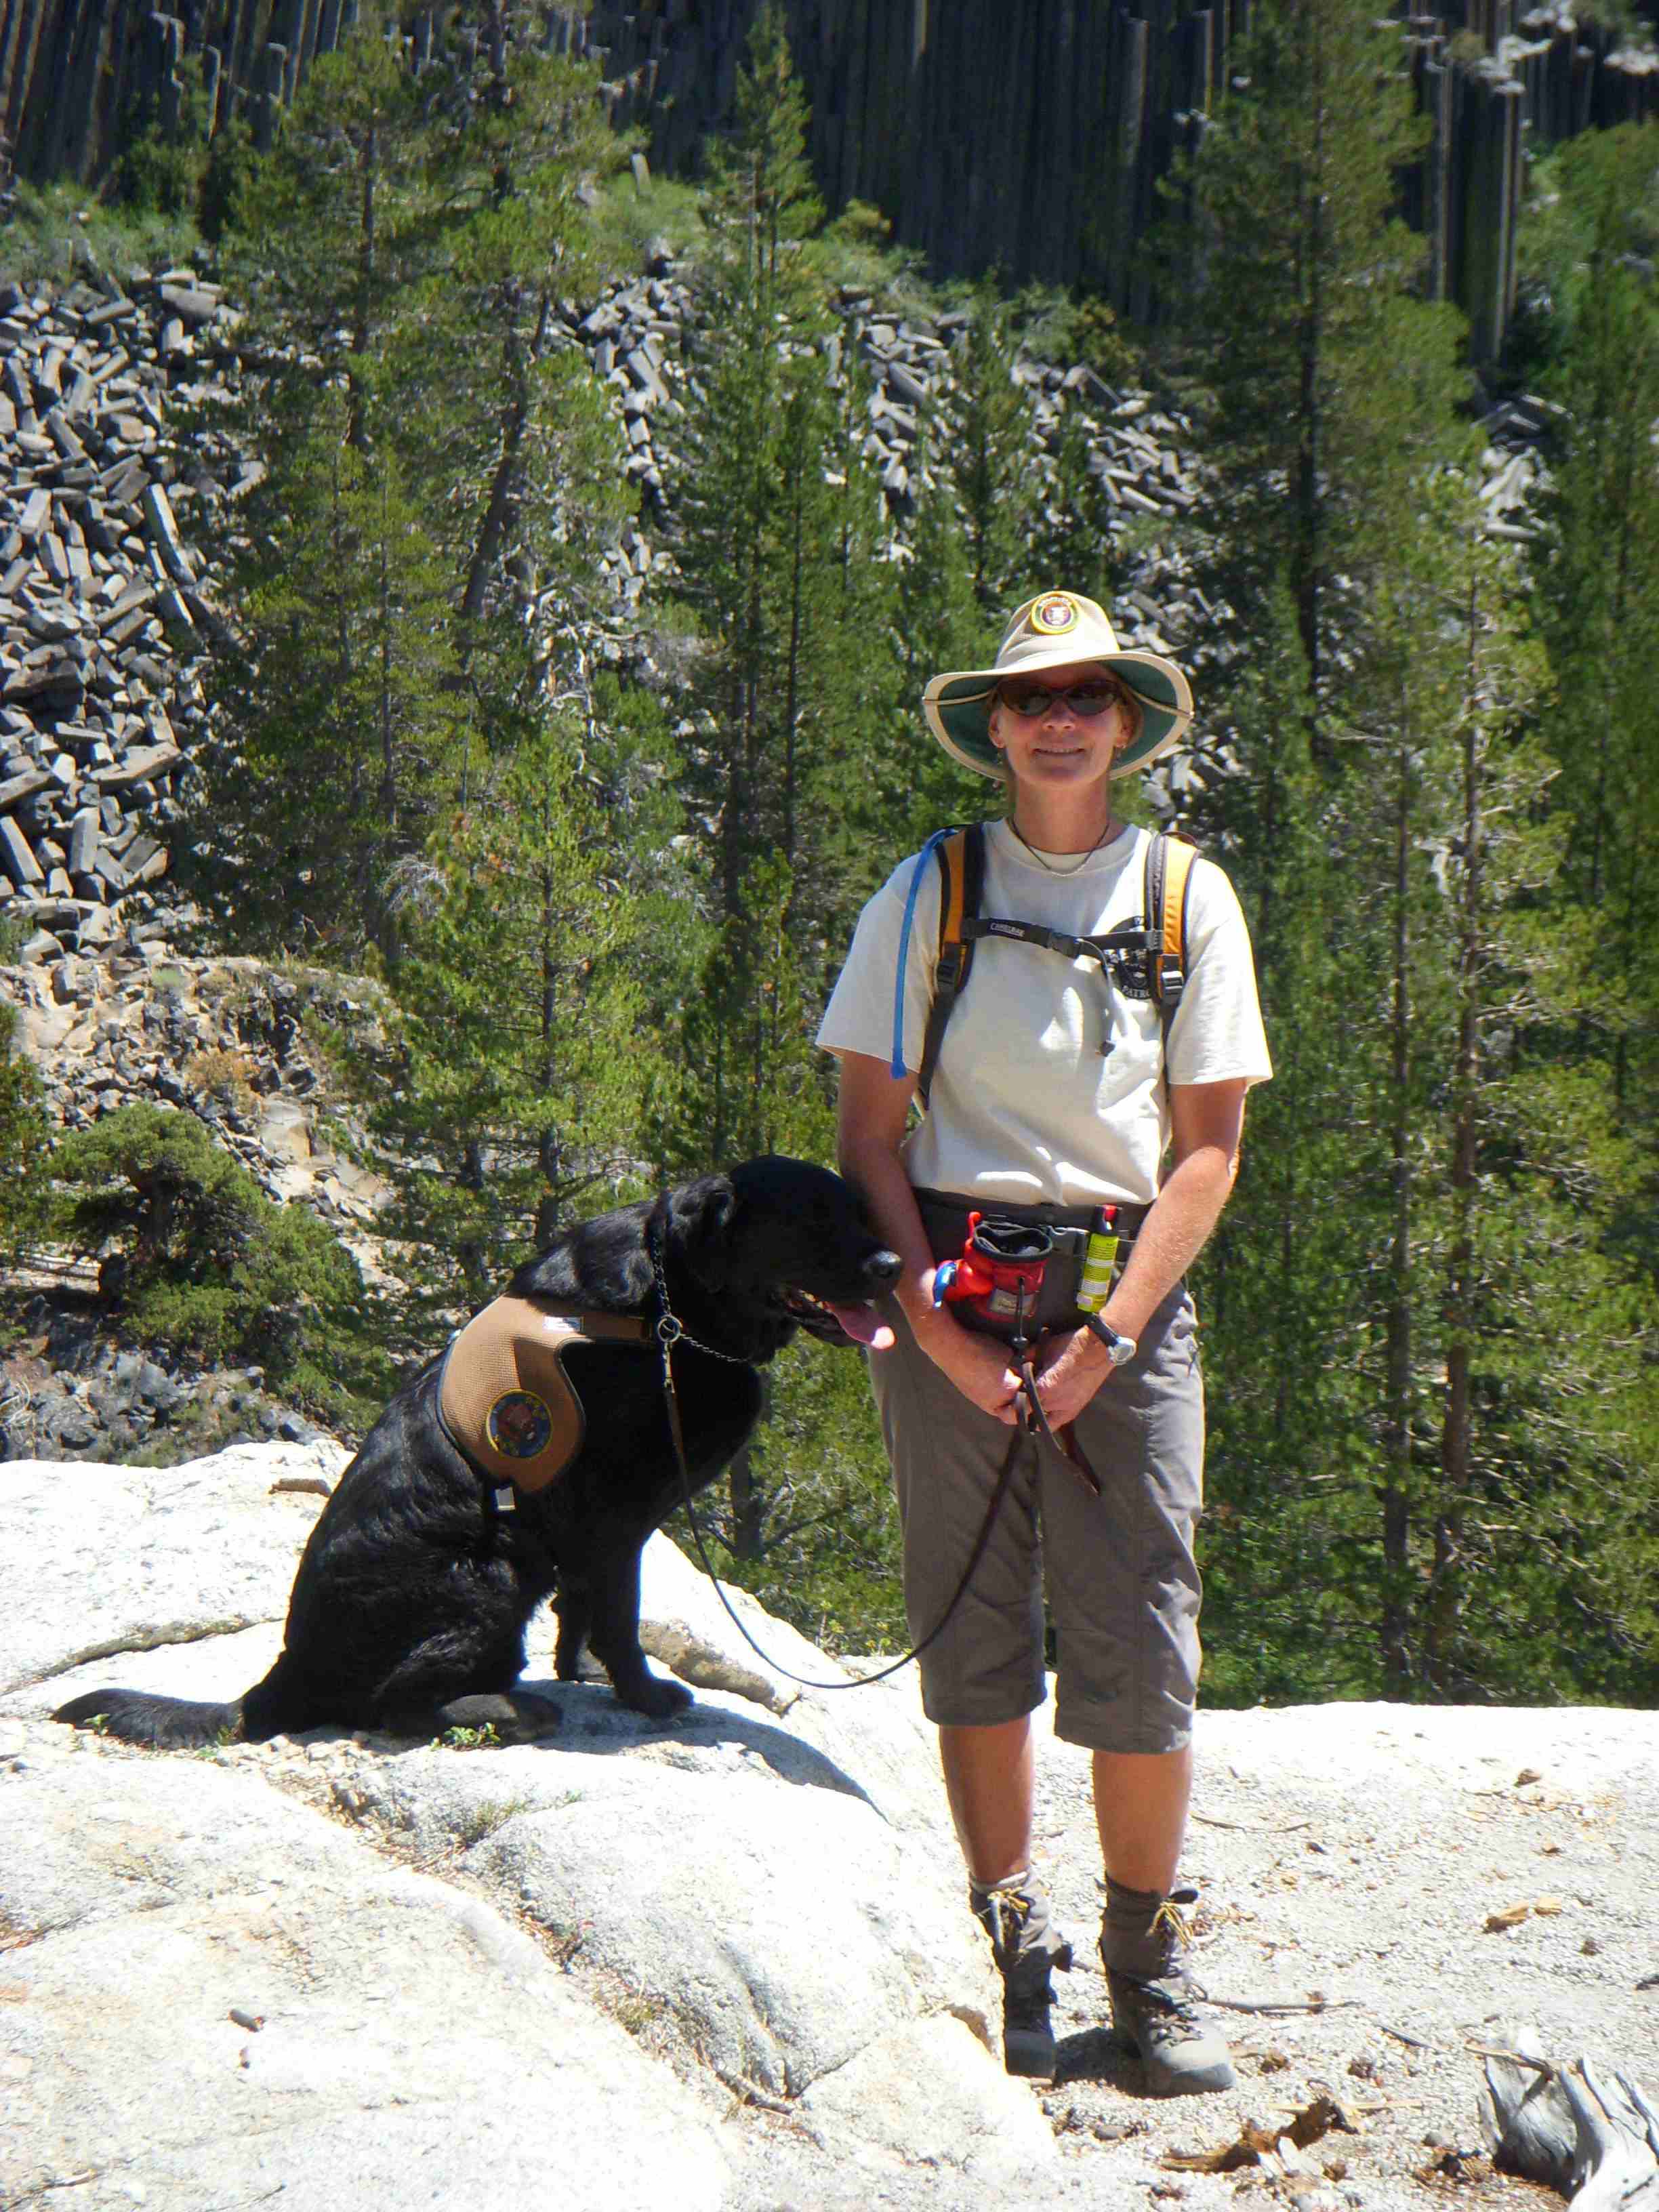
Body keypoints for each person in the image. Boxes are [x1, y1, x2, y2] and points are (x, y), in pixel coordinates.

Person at [817, 588, 1271, 2097]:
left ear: (1125, 726)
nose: (1061, 719)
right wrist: (935, 1332)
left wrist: (1112, 1338)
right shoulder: (930, 892)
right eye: (1033, 700)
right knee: (973, 1627)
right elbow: (868, 1134)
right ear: (996, 729)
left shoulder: (1187, 898)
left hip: (1122, 1295)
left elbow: (1206, 1153)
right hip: (948, 1274)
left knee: (1141, 1633)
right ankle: (1012, 1939)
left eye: (1087, 696)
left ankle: (1146, 1967)